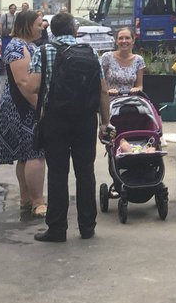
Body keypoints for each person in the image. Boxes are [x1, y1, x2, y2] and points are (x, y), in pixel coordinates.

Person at [24, 12, 111, 242]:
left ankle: (57, 228)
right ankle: (87, 226)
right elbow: (103, 90)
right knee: (85, 171)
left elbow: (32, 87)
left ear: (51, 31)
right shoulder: (90, 52)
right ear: (74, 30)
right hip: (85, 119)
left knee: (58, 173)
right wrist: (105, 123)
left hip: (56, 119)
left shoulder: (44, 51)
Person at [0, 10, 47, 218]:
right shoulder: (17, 47)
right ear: (27, 25)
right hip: (22, 108)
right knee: (34, 153)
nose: (42, 27)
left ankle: (27, 199)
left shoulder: (23, 46)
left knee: (25, 155)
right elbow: (24, 83)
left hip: (20, 106)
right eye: (39, 23)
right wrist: (40, 108)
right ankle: (38, 202)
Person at [101, 27, 145, 95]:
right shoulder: (107, 57)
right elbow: (99, 82)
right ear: (116, 41)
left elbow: (139, 86)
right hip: (111, 100)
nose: (124, 41)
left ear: (133, 41)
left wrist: (136, 89)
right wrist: (107, 90)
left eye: (127, 38)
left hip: (131, 100)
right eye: (121, 38)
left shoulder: (139, 60)